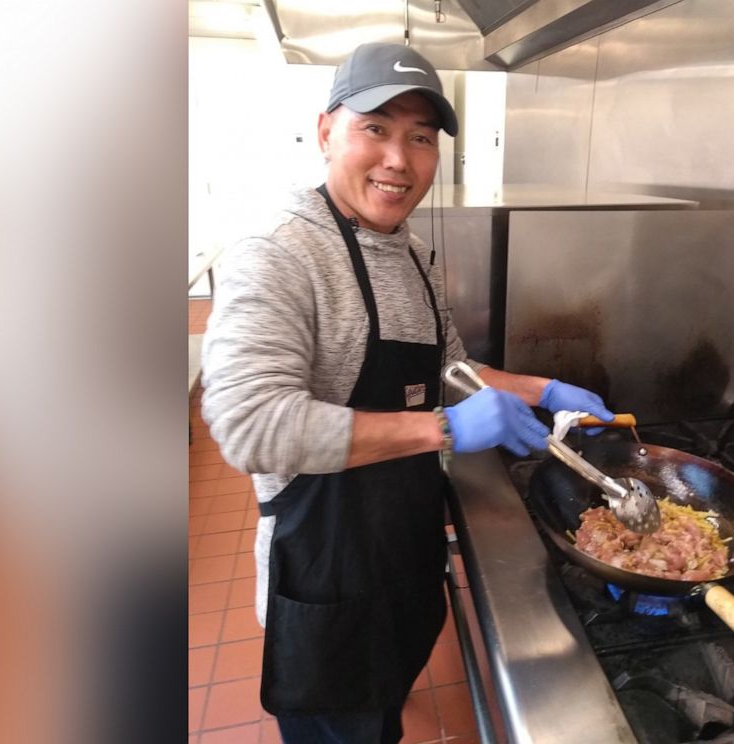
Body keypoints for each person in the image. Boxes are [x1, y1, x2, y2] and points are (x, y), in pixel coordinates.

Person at [200, 41, 614, 744]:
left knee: (389, 696)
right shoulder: (276, 251)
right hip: (325, 578)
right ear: (327, 130)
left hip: (402, 551)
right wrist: (444, 431)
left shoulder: (412, 252)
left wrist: (546, 387)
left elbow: (452, 369)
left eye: (421, 137)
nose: (400, 159)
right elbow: (249, 426)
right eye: (377, 128)